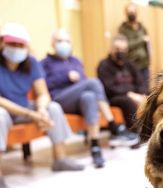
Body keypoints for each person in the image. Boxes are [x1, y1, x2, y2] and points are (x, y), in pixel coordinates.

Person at [0, 23, 84, 188]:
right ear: (2, 43)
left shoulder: (31, 63)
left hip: (25, 108)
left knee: (53, 107)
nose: (16, 48)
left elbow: (43, 93)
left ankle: (60, 159)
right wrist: (31, 114)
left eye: (20, 45)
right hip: (5, 110)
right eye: (12, 44)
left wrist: (41, 109)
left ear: (27, 46)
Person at [41, 29, 139, 168]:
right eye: (60, 41)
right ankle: (113, 125)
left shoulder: (76, 61)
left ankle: (95, 147)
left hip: (78, 99)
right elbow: (43, 86)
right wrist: (65, 77)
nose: (64, 44)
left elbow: (83, 81)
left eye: (67, 41)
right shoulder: (45, 63)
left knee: (89, 96)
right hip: (59, 99)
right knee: (93, 82)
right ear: (52, 43)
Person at [97, 35, 145, 132]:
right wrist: (129, 94)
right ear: (111, 49)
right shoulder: (104, 65)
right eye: (117, 49)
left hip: (133, 94)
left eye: (123, 49)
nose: (120, 52)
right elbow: (109, 88)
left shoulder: (130, 64)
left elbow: (141, 82)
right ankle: (135, 132)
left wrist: (139, 94)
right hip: (114, 97)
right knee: (127, 101)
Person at [118, 3, 150, 94]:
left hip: (144, 64)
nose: (131, 13)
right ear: (126, 13)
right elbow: (126, 45)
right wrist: (141, 39)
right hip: (132, 64)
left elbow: (146, 44)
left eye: (133, 11)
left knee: (146, 90)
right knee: (136, 90)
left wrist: (148, 61)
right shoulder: (123, 29)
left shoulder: (142, 27)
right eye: (129, 11)